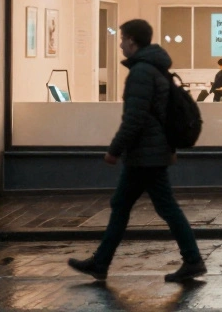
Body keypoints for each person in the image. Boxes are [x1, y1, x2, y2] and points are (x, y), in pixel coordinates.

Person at [68, 19, 206, 283]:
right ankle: (102, 262)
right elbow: (162, 115)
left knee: (145, 206)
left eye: (122, 39)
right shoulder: (157, 69)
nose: (120, 44)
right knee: (132, 205)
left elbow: (135, 118)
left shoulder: (142, 72)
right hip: (152, 152)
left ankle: (191, 260)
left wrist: (114, 150)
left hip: (145, 155)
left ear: (132, 40)